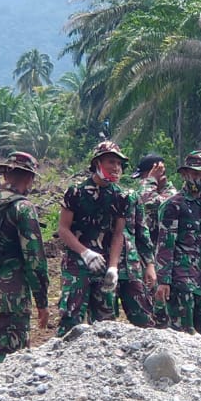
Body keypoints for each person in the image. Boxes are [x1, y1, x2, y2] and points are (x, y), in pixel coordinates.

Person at [0, 151, 49, 369]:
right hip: (13, 298)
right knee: (10, 365)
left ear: (6, 174)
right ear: (29, 178)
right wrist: (42, 302)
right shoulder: (23, 208)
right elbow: (35, 259)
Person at [56, 141, 129, 335]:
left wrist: (113, 267)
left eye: (119, 164)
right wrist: (85, 253)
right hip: (77, 264)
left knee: (106, 322)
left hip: (104, 263)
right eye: (111, 162)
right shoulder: (76, 192)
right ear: (97, 163)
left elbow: (118, 234)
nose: (116, 167)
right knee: (71, 318)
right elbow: (63, 229)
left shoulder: (121, 197)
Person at [155, 151, 201, 334]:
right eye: (196, 173)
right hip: (181, 279)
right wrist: (164, 280)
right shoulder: (173, 204)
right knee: (182, 333)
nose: (200, 178)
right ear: (185, 174)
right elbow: (165, 244)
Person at [136, 154, 176, 325]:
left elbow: (144, 202)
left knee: (161, 311)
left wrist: (151, 179)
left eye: (144, 177)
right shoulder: (152, 191)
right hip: (149, 259)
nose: (142, 182)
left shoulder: (171, 196)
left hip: (164, 262)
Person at [117, 164, 157, 328]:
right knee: (103, 322)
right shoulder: (90, 196)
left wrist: (149, 264)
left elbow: (142, 232)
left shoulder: (131, 197)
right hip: (103, 269)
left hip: (131, 268)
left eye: (118, 165)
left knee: (144, 319)